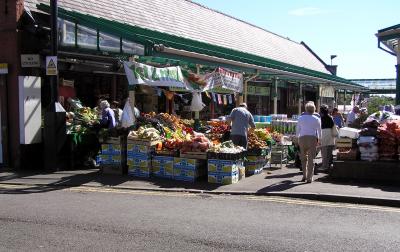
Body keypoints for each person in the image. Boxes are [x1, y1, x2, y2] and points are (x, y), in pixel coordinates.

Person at [296, 102, 322, 183]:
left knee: (303, 158)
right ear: (314, 109)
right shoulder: (317, 119)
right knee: (311, 159)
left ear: (306, 109)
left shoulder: (301, 118)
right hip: (312, 139)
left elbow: (297, 129)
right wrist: (320, 140)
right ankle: (309, 178)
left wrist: (297, 138)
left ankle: (304, 175)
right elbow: (319, 131)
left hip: (302, 138)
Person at [320, 105, 338, 172]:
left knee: (324, 152)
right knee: (329, 152)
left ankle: (324, 165)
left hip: (323, 134)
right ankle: (329, 165)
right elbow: (333, 126)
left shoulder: (320, 118)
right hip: (330, 134)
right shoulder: (330, 117)